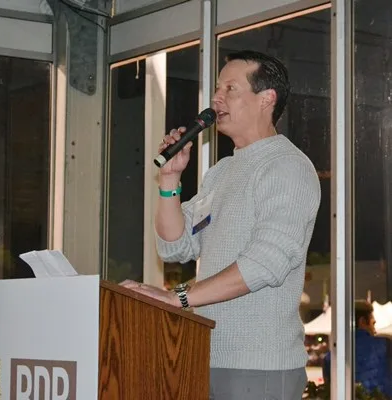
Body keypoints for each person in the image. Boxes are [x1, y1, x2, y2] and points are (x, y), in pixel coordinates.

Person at [121, 50, 321, 400]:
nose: (216, 98)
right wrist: (169, 179)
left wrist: (177, 297)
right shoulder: (221, 172)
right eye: (217, 88)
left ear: (267, 99)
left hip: (259, 366)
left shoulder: (287, 167)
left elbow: (265, 263)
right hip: (204, 353)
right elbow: (174, 245)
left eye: (230, 88)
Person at [322, 301, 391, 396]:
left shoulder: (330, 358)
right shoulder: (385, 345)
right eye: (373, 324)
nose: (374, 330)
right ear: (362, 321)